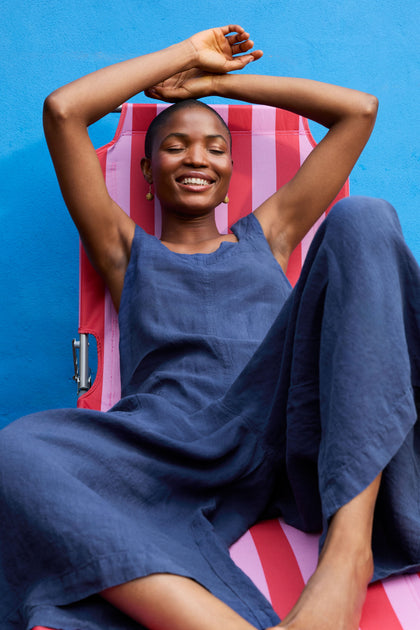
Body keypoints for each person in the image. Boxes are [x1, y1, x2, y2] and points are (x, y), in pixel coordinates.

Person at [0, 24, 419, 630]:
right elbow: (64, 112)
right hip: (170, 440)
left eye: (214, 147)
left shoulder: (268, 235)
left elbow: (358, 111)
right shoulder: (125, 251)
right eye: (175, 146)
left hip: (284, 416)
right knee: (13, 452)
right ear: (145, 171)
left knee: (366, 217)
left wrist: (220, 84)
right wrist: (183, 57)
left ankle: (347, 560)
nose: (196, 156)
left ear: (229, 171)